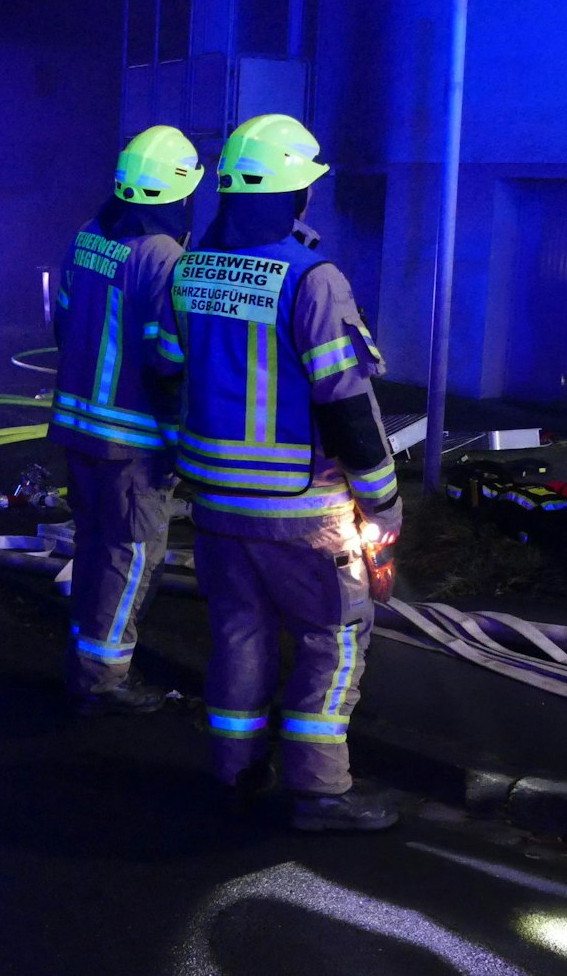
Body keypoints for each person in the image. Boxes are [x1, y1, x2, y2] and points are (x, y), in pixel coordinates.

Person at [157, 114, 403, 833]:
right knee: (336, 636)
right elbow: (347, 400)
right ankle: (321, 793)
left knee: (239, 632)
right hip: (301, 508)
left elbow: (175, 368)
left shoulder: (190, 267)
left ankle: (232, 774)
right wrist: (383, 502)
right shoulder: (314, 279)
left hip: (215, 504)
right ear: (299, 194)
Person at [48, 125, 200, 716]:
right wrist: (181, 438)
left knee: (93, 547)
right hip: (131, 439)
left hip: (77, 425)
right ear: (180, 191)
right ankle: (104, 680)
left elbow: (61, 322)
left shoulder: (89, 234)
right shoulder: (164, 256)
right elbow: (168, 360)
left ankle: (83, 660)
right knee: (132, 554)